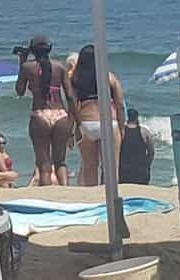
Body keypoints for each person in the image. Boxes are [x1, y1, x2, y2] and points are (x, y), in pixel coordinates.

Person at [14, 34, 73, 185]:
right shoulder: (60, 67)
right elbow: (70, 96)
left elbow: (19, 91)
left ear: (32, 50)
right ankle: (66, 192)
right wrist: (74, 121)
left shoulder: (27, 67)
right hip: (61, 114)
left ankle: (47, 194)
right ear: (49, 49)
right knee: (60, 162)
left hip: (40, 114)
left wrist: (22, 62)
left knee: (44, 165)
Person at [68, 45, 125, 187]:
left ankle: (93, 195)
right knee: (111, 167)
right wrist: (122, 127)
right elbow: (120, 105)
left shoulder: (75, 79)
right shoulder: (109, 77)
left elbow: (72, 106)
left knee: (90, 167)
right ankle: (111, 196)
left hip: (87, 123)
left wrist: (72, 130)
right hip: (109, 123)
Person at [119, 107, 155, 185]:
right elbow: (151, 152)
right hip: (141, 172)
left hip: (124, 172)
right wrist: (147, 165)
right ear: (137, 118)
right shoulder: (145, 132)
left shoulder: (121, 132)